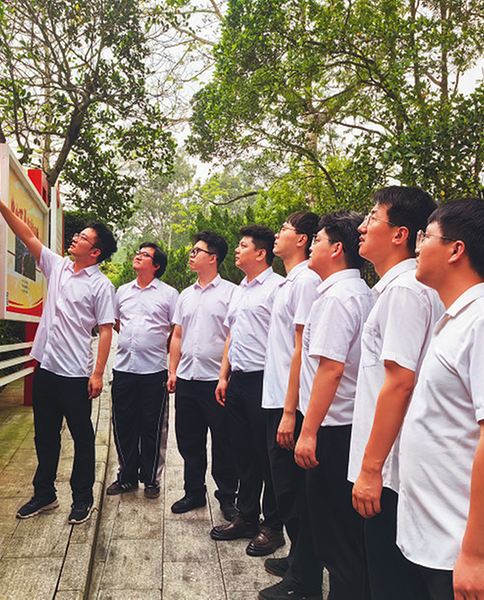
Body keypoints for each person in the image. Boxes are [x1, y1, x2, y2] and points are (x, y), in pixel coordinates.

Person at [398, 198, 484, 599]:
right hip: (440, 547)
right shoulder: (458, 322)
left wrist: (477, 555)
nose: (417, 246)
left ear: (456, 249)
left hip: (475, 562)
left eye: (426, 236)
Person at [0, 177, 117, 525]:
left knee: (82, 437)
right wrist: (0, 205)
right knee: (45, 435)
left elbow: (106, 330)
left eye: (83, 238)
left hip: (76, 374)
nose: (75, 238)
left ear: (95, 252)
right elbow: (27, 236)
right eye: (78, 235)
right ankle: (45, 494)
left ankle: (82, 498)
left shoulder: (101, 286)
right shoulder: (57, 266)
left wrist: (97, 374)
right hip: (46, 369)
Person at [347, 186, 443, 598]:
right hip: (394, 463)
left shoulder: (404, 290)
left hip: (391, 469)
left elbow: (400, 382)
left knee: (389, 579)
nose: (362, 227)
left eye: (372, 218)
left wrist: (371, 470)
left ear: (400, 234)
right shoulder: (398, 288)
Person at [294, 211, 374, 600]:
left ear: (337, 248)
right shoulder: (361, 292)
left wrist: (308, 431)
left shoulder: (337, 298)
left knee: (336, 539)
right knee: (349, 535)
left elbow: (331, 368)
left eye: (318, 240)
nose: (312, 246)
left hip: (332, 429)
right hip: (349, 426)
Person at [258, 212, 324, 600]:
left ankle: (305, 579)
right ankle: (299, 559)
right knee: (285, 489)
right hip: (277, 398)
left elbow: (303, 349)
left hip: (291, 403)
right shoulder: (291, 281)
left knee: (295, 493)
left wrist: (289, 410)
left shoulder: (307, 281)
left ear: (302, 239)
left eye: (284, 228)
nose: (277, 233)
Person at [211, 225, 285, 557]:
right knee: (242, 453)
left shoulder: (277, 288)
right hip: (238, 380)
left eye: (243, 246)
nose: (237, 250)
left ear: (261, 253)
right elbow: (232, 335)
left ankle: (273, 526)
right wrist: (223, 376)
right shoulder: (240, 288)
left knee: (268, 457)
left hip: (264, 381)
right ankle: (247, 517)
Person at [167, 231, 238, 520]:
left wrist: (225, 376)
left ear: (213, 258)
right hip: (187, 379)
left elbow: (233, 337)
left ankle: (228, 497)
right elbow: (177, 335)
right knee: (189, 439)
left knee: (224, 442)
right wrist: (173, 371)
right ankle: (194, 491)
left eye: (197, 251)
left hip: (216, 382)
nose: (191, 254)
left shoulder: (231, 293)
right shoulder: (185, 295)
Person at [106, 242, 178, 500]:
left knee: (152, 426)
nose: (137, 256)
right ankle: (126, 476)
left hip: (154, 371)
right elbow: (116, 322)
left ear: (156, 265)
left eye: (144, 255)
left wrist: (160, 348)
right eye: (138, 252)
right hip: (124, 368)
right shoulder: (123, 291)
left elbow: (176, 329)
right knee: (123, 424)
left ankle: (150, 478)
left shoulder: (169, 294)